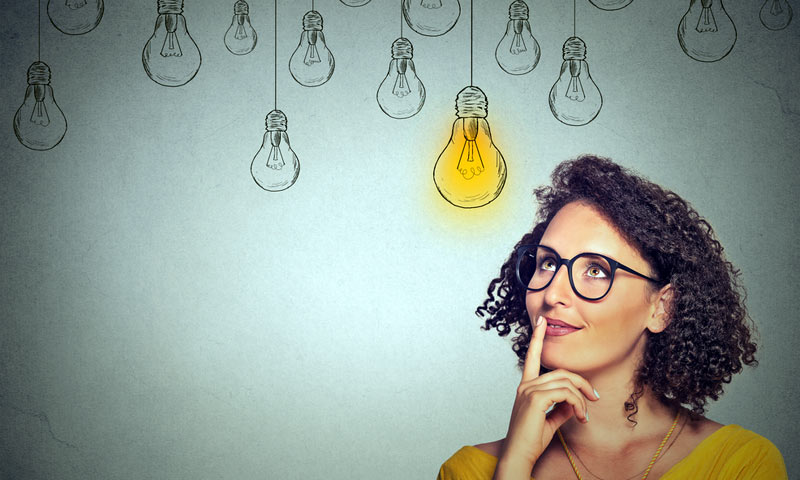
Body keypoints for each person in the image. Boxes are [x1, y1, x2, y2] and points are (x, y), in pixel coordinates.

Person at [437, 155, 787, 480]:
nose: (552, 294)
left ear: (661, 308)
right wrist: (515, 465)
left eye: (596, 271)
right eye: (547, 263)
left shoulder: (740, 463)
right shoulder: (470, 471)